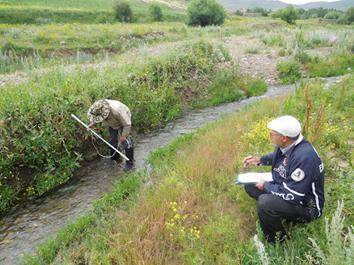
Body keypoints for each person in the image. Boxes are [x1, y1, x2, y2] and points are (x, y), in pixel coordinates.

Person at [243, 115, 324, 243]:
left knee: (265, 202)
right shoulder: (289, 144)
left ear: (284, 138)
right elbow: (278, 157)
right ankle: (276, 213)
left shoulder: (305, 157)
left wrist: (266, 186)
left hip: (307, 206)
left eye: (272, 133)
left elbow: (292, 195)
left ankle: (279, 242)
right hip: (288, 187)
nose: (269, 135)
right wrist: (259, 160)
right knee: (249, 184)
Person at [87, 99, 134, 171]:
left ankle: (130, 162)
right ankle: (115, 158)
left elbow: (127, 124)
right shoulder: (98, 108)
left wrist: (123, 136)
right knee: (113, 141)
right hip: (112, 124)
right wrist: (92, 124)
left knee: (126, 143)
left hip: (124, 122)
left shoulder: (118, 110)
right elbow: (98, 117)